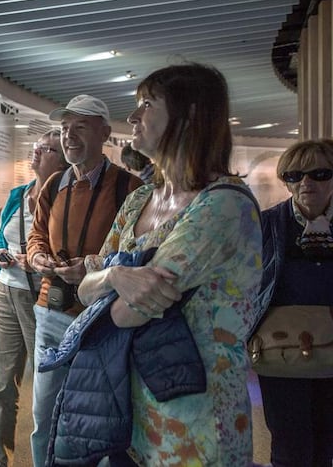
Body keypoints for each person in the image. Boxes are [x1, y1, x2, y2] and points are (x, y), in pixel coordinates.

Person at [73, 63, 263, 465]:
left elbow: (125, 314)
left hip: (197, 422)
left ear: (190, 114)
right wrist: (116, 274)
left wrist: (106, 284)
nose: (133, 115)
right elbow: (85, 288)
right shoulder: (139, 200)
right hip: (133, 410)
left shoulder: (222, 205)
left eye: (147, 103)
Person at [26, 95, 141, 467]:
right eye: (64, 129)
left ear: (105, 133)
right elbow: (36, 235)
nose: (69, 136)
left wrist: (92, 270)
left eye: (80, 127)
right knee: (45, 415)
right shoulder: (53, 185)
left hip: (105, 319)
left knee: (104, 418)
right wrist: (38, 256)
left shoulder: (131, 189)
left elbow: (138, 252)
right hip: (52, 310)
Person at [0, 129, 67, 467]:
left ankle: (48, 457)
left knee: (45, 388)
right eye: (35, 148)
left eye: (45, 149)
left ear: (62, 160)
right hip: (7, 291)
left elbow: (68, 251)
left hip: (42, 298)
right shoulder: (18, 194)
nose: (36, 153)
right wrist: (0, 253)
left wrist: (35, 262)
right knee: (5, 384)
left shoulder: (65, 201)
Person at [258, 138, 333, 467]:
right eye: (294, 175)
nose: (306, 183)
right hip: (282, 351)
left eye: (319, 174)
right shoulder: (267, 224)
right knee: (289, 442)